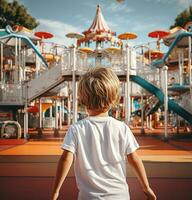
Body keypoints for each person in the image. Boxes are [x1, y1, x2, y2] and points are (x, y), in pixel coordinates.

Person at [51, 67, 156, 200]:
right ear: (113, 98)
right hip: (119, 196)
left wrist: (55, 192)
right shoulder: (121, 128)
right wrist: (146, 188)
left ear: (83, 100)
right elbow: (134, 159)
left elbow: (66, 159)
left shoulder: (76, 129)